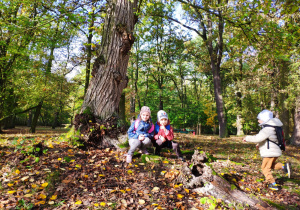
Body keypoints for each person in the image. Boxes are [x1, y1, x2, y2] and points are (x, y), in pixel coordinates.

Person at [243, 109, 291, 190]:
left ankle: (273, 184)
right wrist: (259, 144)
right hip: (274, 151)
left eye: (260, 119)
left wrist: (247, 138)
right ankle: (284, 166)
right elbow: (269, 139)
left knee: (265, 168)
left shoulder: (267, 129)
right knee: (271, 165)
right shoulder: (273, 127)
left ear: (265, 119)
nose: (258, 121)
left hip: (270, 152)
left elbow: (258, 138)